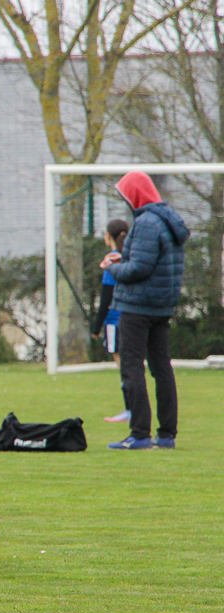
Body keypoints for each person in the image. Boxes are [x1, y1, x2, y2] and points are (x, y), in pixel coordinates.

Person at [101, 172, 188, 450]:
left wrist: (111, 267)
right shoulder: (167, 219)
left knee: (132, 367)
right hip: (161, 305)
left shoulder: (146, 222)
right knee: (162, 368)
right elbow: (151, 261)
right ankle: (166, 435)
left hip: (138, 307)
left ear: (135, 195)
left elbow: (138, 269)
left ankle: (139, 434)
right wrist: (123, 257)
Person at [90, 218, 131, 424]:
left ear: (108, 237)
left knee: (124, 366)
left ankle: (130, 409)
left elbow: (106, 298)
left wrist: (96, 327)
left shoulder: (112, 260)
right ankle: (136, 409)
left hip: (115, 320)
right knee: (134, 364)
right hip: (134, 317)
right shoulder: (132, 257)